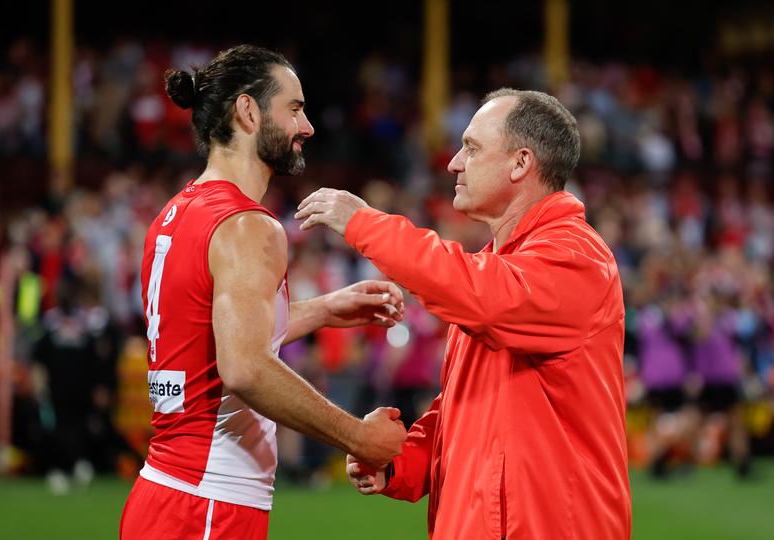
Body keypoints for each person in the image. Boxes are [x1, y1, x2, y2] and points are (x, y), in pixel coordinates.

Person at [296, 88, 631, 539]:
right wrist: (400, 462)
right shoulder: (499, 268)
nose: (454, 162)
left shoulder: (576, 257)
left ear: (520, 164)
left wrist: (365, 223)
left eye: (471, 148)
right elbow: (467, 410)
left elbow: (483, 296)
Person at [119, 45, 407, 540]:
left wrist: (322, 308)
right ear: (248, 111)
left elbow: (211, 337)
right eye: (294, 109)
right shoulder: (248, 226)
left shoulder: (177, 212)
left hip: (165, 494)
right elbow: (245, 366)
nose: (308, 126)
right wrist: (358, 437)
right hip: (209, 503)